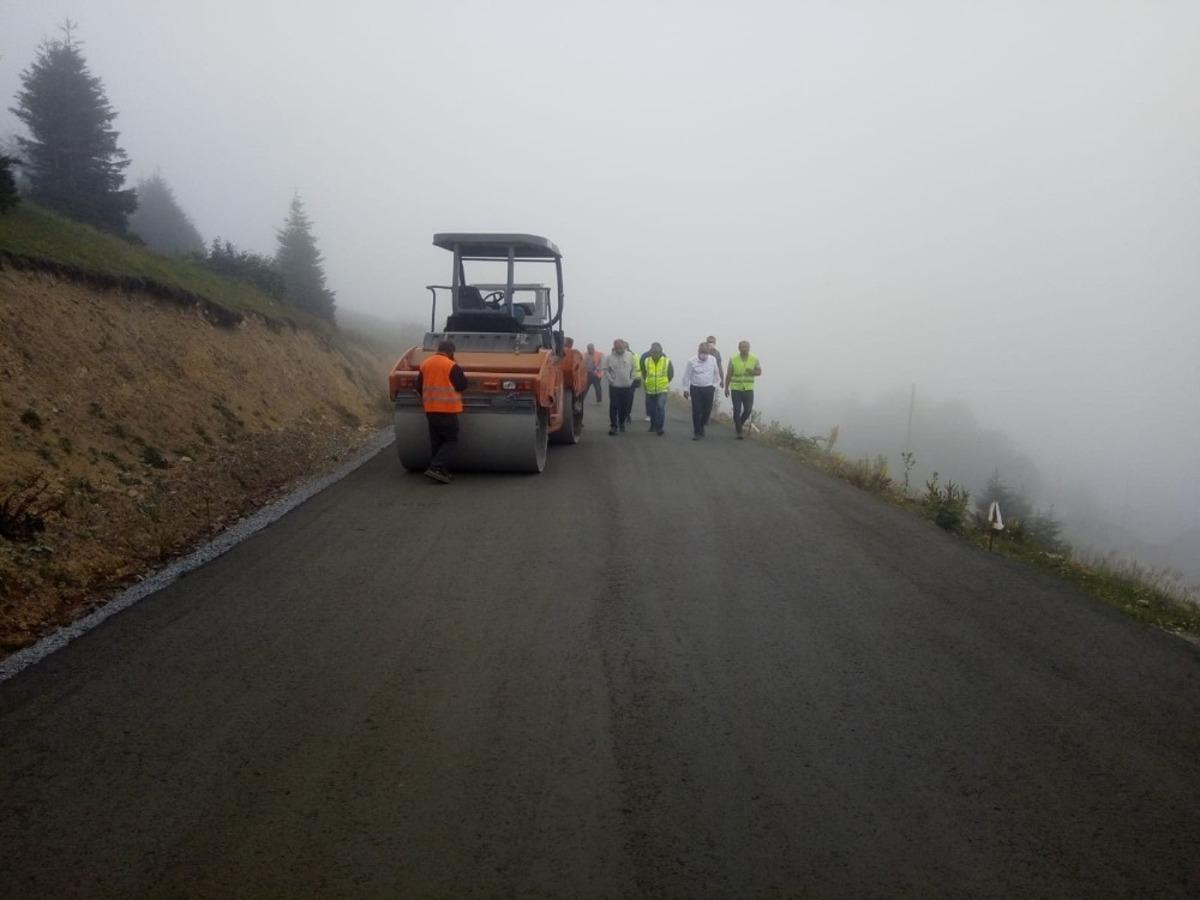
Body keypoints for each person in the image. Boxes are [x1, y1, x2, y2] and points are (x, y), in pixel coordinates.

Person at [416, 339, 469, 483]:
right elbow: (462, 386)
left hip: (430, 409)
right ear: (451, 352)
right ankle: (435, 467)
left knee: (437, 441)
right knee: (451, 440)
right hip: (447, 410)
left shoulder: (425, 363)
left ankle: (441, 472)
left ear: (438, 349)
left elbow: (419, 387)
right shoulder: (451, 365)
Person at [681, 342, 721, 439]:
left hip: (708, 388)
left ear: (709, 352)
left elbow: (716, 374)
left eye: (706, 353)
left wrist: (714, 386)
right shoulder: (691, 361)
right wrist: (685, 389)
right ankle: (697, 432)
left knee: (707, 410)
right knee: (697, 410)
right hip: (695, 388)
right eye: (703, 352)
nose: (704, 355)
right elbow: (686, 376)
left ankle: (702, 425)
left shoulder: (712, 360)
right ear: (698, 351)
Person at [724, 340, 762, 439]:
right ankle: (739, 431)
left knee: (748, 410)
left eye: (746, 347)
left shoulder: (754, 358)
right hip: (736, 389)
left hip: (748, 389)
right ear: (739, 348)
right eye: (742, 347)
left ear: (749, 348)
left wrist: (752, 371)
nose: (744, 349)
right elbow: (729, 374)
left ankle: (739, 424)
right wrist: (726, 388)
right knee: (736, 410)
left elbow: (759, 372)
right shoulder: (733, 359)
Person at [603, 338, 638, 435]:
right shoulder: (609, 357)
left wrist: (631, 380)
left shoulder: (630, 356)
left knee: (624, 407)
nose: (619, 350)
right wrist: (610, 380)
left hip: (627, 386)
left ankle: (621, 422)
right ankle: (613, 426)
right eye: (617, 348)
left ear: (624, 347)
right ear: (614, 347)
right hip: (614, 386)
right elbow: (605, 370)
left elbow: (635, 369)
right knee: (614, 406)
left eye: (621, 348)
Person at [640, 342, 674, 436]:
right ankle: (653, 425)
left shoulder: (666, 361)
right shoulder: (646, 361)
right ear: (650, 352)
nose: (655, 354)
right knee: (652, 409)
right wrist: (647, 382)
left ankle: (659, 427)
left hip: (662, 389)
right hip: (650, 388)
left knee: (660, 407)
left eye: (657, 352)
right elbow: (644, 372)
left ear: (661, 352)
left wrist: (665, 382)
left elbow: (670, 374)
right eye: (653, 352)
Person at [639, 346, 654, 422]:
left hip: (661, 383)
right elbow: (641, 366)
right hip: (648, 381)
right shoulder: (645, 355)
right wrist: (645, 377)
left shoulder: (663, 355)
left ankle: (656, 414)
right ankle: (649, 415)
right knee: (649, 398)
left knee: (659, 401)